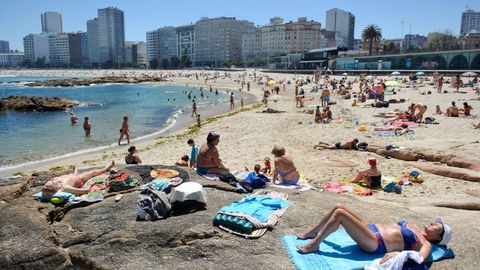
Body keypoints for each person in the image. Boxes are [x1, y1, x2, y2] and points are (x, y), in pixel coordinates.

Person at [296, 204, 452, 261]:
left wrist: (398, 255)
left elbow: (420, 258)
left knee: (340, 215)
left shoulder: (425, 244)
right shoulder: (414, 226)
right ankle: (313, 232)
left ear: (438, 237)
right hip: (371, 228)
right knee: (339, 206)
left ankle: (315, 244)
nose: (433, 223)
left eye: (436, 226)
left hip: (375, 242)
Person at [42, 161, 115, 196]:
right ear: (56, 187)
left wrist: (54, 181)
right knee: (94, 172)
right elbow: (85, 191)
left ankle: (75, 171)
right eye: (53, 182)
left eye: (52, 180)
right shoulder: (65, 188)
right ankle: (106, 168)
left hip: (71, 176)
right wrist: (91, 184)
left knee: (72, 176)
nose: (54, 180)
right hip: (80, 179)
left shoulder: (57, 182)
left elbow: (45, 189)